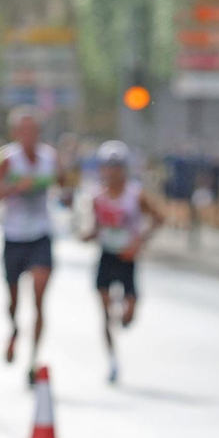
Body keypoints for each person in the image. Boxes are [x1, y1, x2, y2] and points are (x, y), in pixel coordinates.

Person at [0, 106, 66, 382]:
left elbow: (66, 186)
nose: (29, 136)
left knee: (39, 296)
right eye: (23, 131)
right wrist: (12, 188)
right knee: (14, 299)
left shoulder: (49, 158)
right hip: (14, 235)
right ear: (15, 133)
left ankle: (33, 358)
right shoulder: (7, 159)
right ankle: (14, 329)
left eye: (34, 130)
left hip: (41, 234)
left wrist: (60, 183)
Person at [83, 140, 163, 384]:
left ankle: (127, 311)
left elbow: (158, 219)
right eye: (108, 166)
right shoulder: (97, 197)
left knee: (127, 315)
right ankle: (112, 360)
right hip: (107, 255)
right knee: (105, 311)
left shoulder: (135, 195)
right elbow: (96, 226)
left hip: (127, 258)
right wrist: (89, 234)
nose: (112, 172)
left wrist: (139, 242)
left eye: (117, 167)